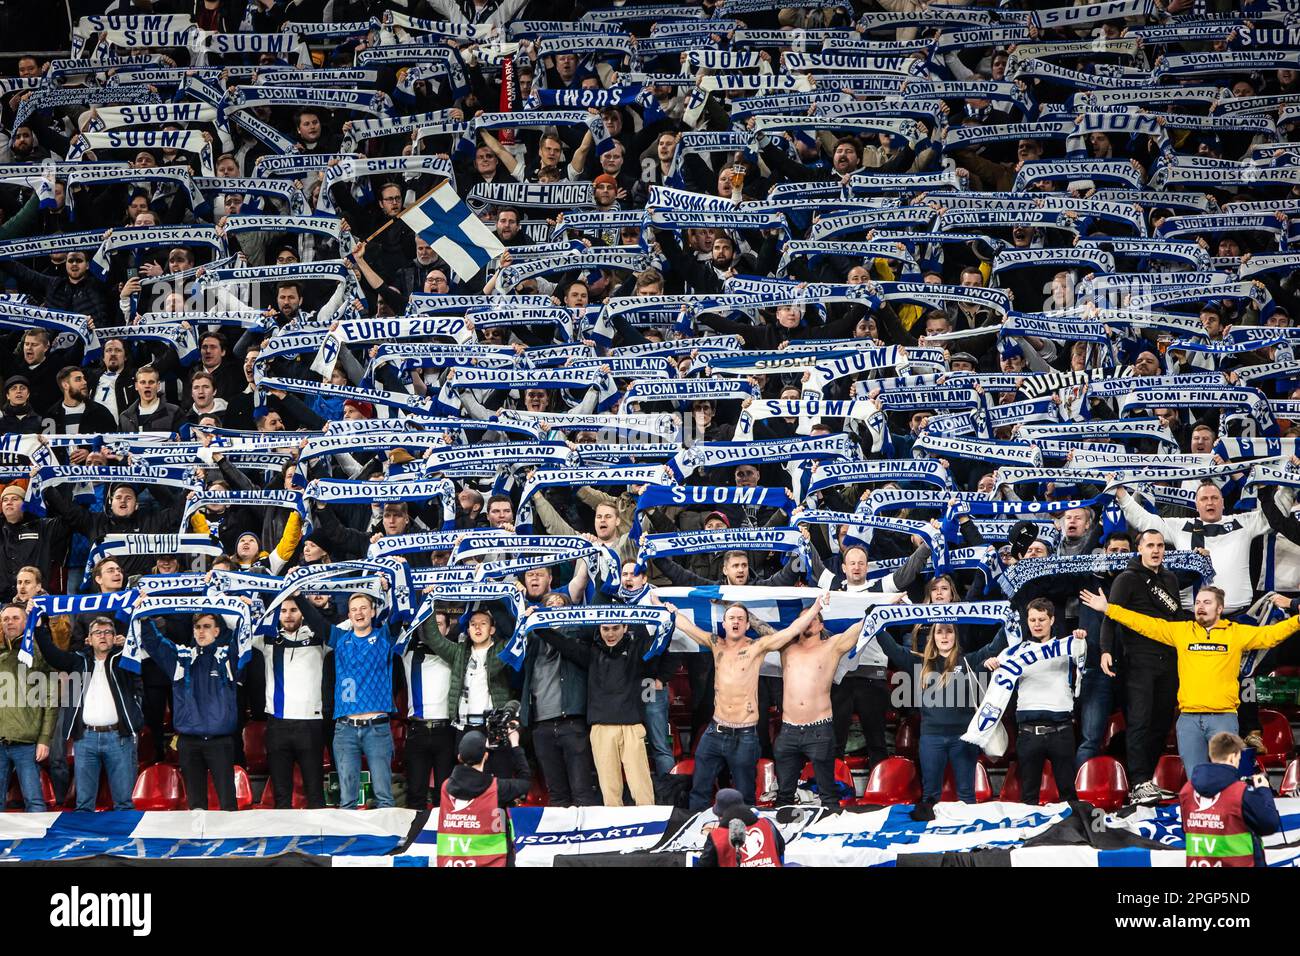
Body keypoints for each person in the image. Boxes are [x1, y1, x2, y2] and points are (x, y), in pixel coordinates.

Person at [1080, 584, 1300, 776]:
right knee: (1196, 780)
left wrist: (1298, 620)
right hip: (1189, 721)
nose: (1200, 606)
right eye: (1197, 602)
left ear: (1220, 609)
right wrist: (1108, 608)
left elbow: (1272, 634)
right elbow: (1144, 624)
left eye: (1207, 602)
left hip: (1223, 719)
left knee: (1226, 780)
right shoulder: (1182, 632)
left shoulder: (1236, 633)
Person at [668, 597, 827, 809]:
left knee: (746, 795)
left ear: (747, 624)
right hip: (715, 732)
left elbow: (790, 631)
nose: (736, 621)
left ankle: (747, 837)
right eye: (731, 618)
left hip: (744, 735)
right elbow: (686, 625)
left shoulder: (757, 647)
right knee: (699, 789)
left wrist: (816, 606)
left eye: (740, 619)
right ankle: (697, 833)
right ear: (723, 623)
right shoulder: (716, 644)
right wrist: (664, 606)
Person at [864, 620, 1003, 804]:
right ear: (933, 637)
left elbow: (995, 646)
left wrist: (1008, 621)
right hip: (931, 738)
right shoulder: (919, 662)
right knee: (930, 795)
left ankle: (965, 832)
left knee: (966, 794)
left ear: (956, 636)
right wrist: (876, 621)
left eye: (949, 631)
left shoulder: (968, 661)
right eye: (939, 632)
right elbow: (892, 649)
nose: (944, 636)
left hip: (964, 738)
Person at [1097, 529, 1184, 806]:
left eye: (1160, 545)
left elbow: (1176, 618)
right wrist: (1106, 650)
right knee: (1139, 722)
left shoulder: (1170, 578)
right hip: (1138, 661)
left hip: (1168, 660)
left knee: (1161, 722)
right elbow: (1110, 617)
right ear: (1140, 549)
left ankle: (1148, 780)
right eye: (1150, 545)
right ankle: (1138, 783)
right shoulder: (1127, 578)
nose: (1156, 550)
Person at [30, 615, 141, 811]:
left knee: (124, 803)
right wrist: (39, 628)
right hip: (86, 739)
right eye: (98, 632)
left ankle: (124, 842)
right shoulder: (78, 661)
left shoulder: (125, 660)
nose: (103, 636)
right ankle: (83, 842)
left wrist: (130, 645)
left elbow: (145, 671)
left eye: (108, 632)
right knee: (83, 804)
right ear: (89, 639)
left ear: (115, 637)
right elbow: (52, 655)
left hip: (119, 738)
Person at [140, 611, 244, 811]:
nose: (201, 631)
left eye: (206, 626)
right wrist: (145, 618)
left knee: (228, 804)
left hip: (220, 742)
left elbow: (243, 636)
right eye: (197, 627)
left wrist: (236, 608)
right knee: (195, 805)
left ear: (217, 631)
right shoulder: (181, 658)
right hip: (189, 742)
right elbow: (155, 643)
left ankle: (230, 841)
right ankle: (200, 842)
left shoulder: (227, 657)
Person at [771, 592, 866, 807]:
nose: (809, 621)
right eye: (804, 618)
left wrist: (881, 608)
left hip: (819, 730)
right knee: (784, 795)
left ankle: (830, 833)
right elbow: (763, 631)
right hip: (789, 730)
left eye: (813, 617)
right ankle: (783, 835)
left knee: (828, 794)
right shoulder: (786, 648)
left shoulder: (831, 646)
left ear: (821, 625)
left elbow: (859, 628)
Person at [328, 590, 408, 810]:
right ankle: (349, 841)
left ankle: (387, 842)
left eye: (363, 608)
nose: (359, 613)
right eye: (354, 609)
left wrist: (391, 586)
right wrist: (297, 596)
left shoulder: (384, 637)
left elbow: (399, 614)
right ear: (349, 615)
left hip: (377, 728)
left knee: (384, 796)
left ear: (373, 612)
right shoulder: (339, 639)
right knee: (347, 800)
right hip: (345, 729)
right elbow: (316, 622)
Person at [1179, 732, 1280, 868]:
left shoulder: (1187, 790)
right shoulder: (1240, 792)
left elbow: (1186, 828)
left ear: (1211, 754)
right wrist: (1263, 790)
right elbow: (1270, 823)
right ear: (1233, 757)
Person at [437, 727, 532, 868]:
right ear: (486, 756)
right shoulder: (496, 788)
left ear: (459, 757)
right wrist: (515, 745)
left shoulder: (445, 787)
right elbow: (525, 781)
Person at [0, 602, 55, 811]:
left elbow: (51, 701)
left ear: (26, 621)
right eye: (5, 619)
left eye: (15, 618)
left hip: (27, 743)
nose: (9, 622)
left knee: (34, 801)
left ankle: (39, 843)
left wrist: (44, 739)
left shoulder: (39, 654)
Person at [698, 788, 785, 867]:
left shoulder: (717, 836)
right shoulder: (767, 823)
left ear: (721, 815)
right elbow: (781, 849)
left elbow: (704, 864)